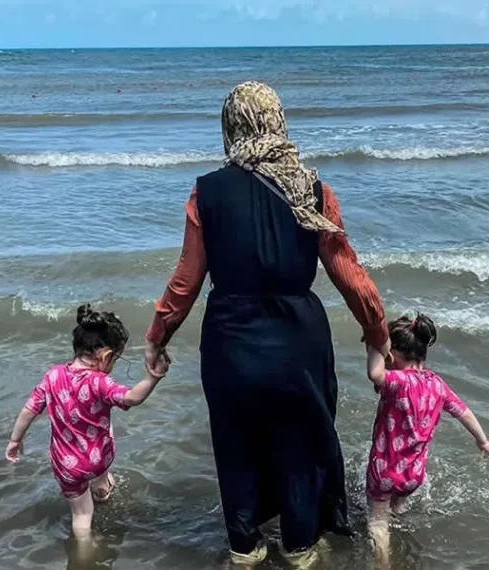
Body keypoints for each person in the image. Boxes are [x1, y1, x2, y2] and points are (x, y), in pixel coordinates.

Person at [144, 81, 391, 567]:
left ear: (230, 127)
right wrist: (377, 337)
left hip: (230, 340)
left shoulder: (206, 192)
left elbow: (186, 279)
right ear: (278, 121)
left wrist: (157, 337)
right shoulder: (313, 190)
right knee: (299, 443)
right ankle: (299, 547)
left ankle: (245, 548)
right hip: (299, 339)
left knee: (234, 444)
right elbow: (350, 274)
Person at [5, 305, 168, 537]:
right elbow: (131, 398)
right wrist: (153, 377)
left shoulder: (52, 376)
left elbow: (29, 409)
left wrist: (15, 439)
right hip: (97, 458)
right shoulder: (100, 382)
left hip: (66, 465)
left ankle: (83, 553)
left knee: (81, 515)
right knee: (105, 428)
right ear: (106, 356)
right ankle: (101, 488)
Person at [364, 314, 489, 560]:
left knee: (378, 521)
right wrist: (482, 441)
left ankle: (384, 563)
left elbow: (375, 374)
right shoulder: (437, 385)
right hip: (414, 476)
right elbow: (464, 413)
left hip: (383, 472)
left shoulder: (397, 381)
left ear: (392, 355)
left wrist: (375, 343)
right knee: (398, 508)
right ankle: (401, 527)